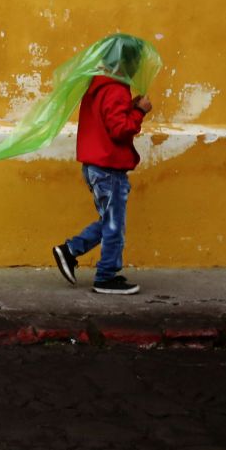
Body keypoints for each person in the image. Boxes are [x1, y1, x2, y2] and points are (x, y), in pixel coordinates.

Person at [51, 39, 153, 295]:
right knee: (114, 225)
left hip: (97, 164)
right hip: (109, 167)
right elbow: (119, 130)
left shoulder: (99, 86)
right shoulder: (116, 90)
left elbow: (108, 121)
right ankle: (106, 276)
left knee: (110, 220)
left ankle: (70, 250)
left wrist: (130, 108)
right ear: (127, 63)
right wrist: (139, 111)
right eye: (135, 62)